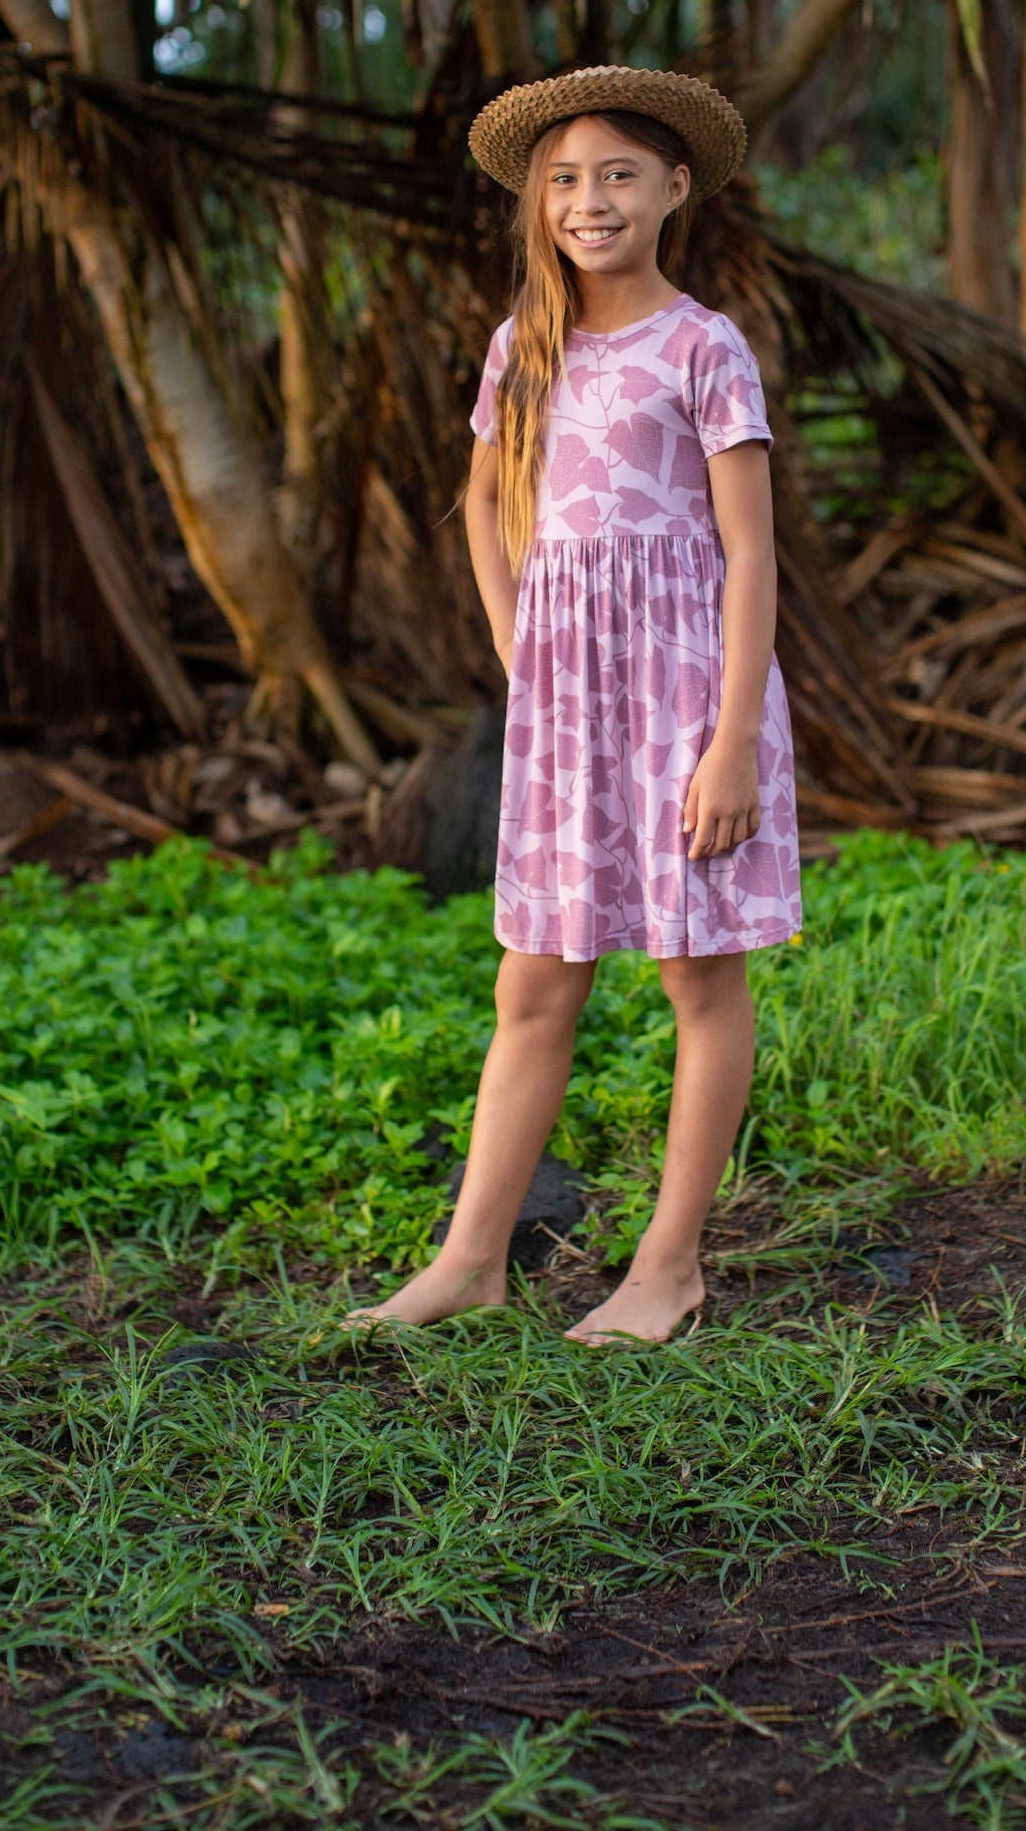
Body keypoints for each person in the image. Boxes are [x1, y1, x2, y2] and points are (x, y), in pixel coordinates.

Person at [354, 67, 801, 1344]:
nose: (588, 201)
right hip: (567, 703)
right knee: (533, 982)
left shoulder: (701, 345)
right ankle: (471, 1259)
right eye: (563, 179)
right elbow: (492, 510)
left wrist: (727, 744)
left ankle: (668, 1266)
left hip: (685, 697)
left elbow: (752, 556)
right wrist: (517, 647)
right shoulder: (523, 345)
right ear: (536, 203)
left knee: (694, 976)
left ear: (672, 190)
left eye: (616, 175)